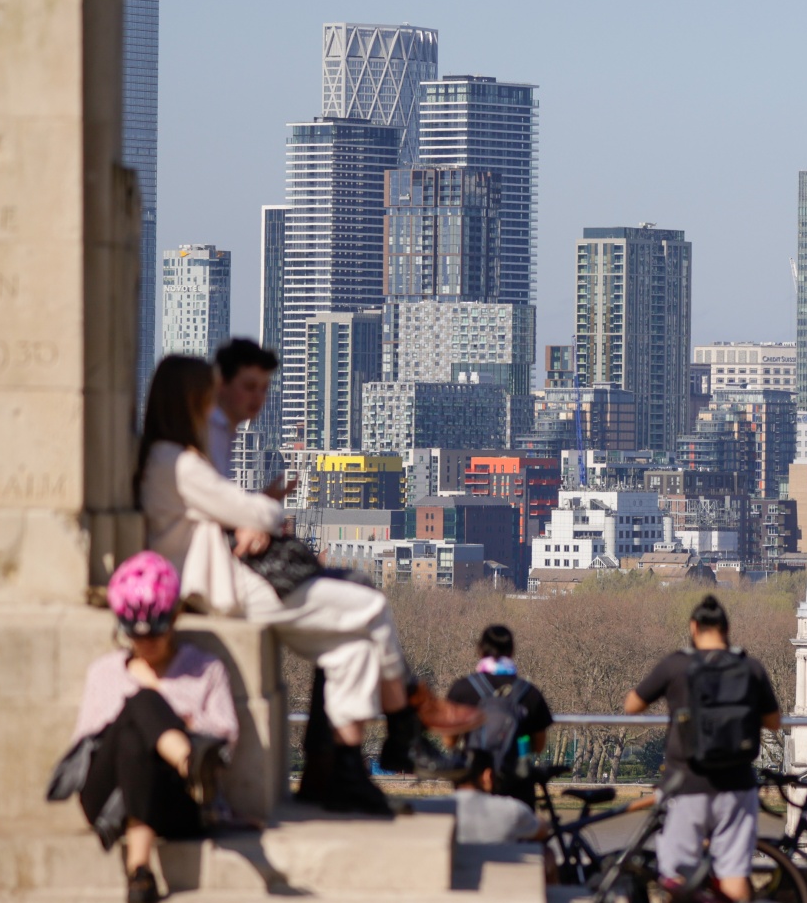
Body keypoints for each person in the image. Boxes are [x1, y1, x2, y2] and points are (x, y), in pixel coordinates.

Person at [136, 354, 478, 815]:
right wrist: (262, 511)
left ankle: (344, 772)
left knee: (353, 650)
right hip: (221, 587)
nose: (214, 409)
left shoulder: (170, 458)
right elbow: (255, 512)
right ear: (190, 402)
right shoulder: (177, 461)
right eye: (207, 399)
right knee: (370, 605)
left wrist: (250, 511)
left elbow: (234, 509)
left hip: (223, 579)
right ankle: (404, 727)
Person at [72, 552, 239, 903]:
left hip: (176, 800)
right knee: (139, 709)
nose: (147, 643)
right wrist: (168, 722)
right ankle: (188, 762)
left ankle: (140, 869)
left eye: (156, 632)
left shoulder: (205, 669)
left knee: (139, 728)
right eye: (136, 634)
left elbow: (226, 736)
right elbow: (85, 743)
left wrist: (167, 725)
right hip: (110, 795)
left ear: (174, 619)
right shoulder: (104, 672)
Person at [624, 596, 782, 903]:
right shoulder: (750, 667)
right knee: (733, 875)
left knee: (678, 876)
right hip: (737, 785)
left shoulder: (676, 665)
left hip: (686, 783)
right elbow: (774, 723)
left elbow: (632, 705)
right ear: (727, 629)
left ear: (693, 627)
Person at [445, 624, 555, 801]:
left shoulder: (462, 689)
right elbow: (539, 746)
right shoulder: (529, 693)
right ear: (512, 650)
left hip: (473, 787)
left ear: (480, 650)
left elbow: (449, 741)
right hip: (516, 788)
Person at [208, 337, 288, 494]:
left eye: (264, 389)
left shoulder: (226, 433)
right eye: (249, 387)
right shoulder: (204, 434)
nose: (258, 397)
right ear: (221, 383)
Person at [453, 748, 551, 846]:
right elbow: (542, 831)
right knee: (547, 851)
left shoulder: (445, 810)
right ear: (487, 776)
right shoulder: (512, 810)